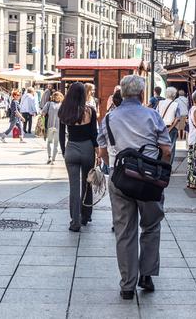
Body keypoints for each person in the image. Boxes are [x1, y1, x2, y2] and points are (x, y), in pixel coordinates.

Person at [97, 75, 171, 300]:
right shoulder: (153, 115)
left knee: (124, 231)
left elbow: (102, 153)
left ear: (122, 94)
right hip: (149, 179)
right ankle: (146, 275)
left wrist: (116, 169)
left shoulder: (109, 118)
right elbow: (166, 150)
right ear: (141, 94)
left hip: (121, 179)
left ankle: (127, 285)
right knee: (151, 226)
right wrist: (162, 171)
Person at [59, 82, 99, 232]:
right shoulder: (90, 111)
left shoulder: (64, 110)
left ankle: (75, 221)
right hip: (87, 148)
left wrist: (64, 151)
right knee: (87, 184)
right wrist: (97, 152)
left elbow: (61, 135)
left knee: (74, 188)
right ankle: (86, 216)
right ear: (84, 94)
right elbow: (94, 134)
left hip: (72, 149)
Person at [157, 86, 181, 164]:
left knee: (160, 146)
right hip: (171, 129)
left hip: (160, 128)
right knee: (171, 148)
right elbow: (177, 118)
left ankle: (160, 163)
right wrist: (171, 127)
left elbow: (156, 115)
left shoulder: (160, 103)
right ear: (174, 95)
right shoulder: (176, 104)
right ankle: (168, 165)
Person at [41, 91, 63, 165]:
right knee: (50, 142)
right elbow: (43, 112)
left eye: (58, 96)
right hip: (50, 126)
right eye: (55, 96)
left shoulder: (63, 105)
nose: (57, 97)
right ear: (53, 97)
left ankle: (53, 158)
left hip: (59, 127)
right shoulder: (49, 104)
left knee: (56, 144)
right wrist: (42, 117)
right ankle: (49, 157)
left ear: (61, 97)